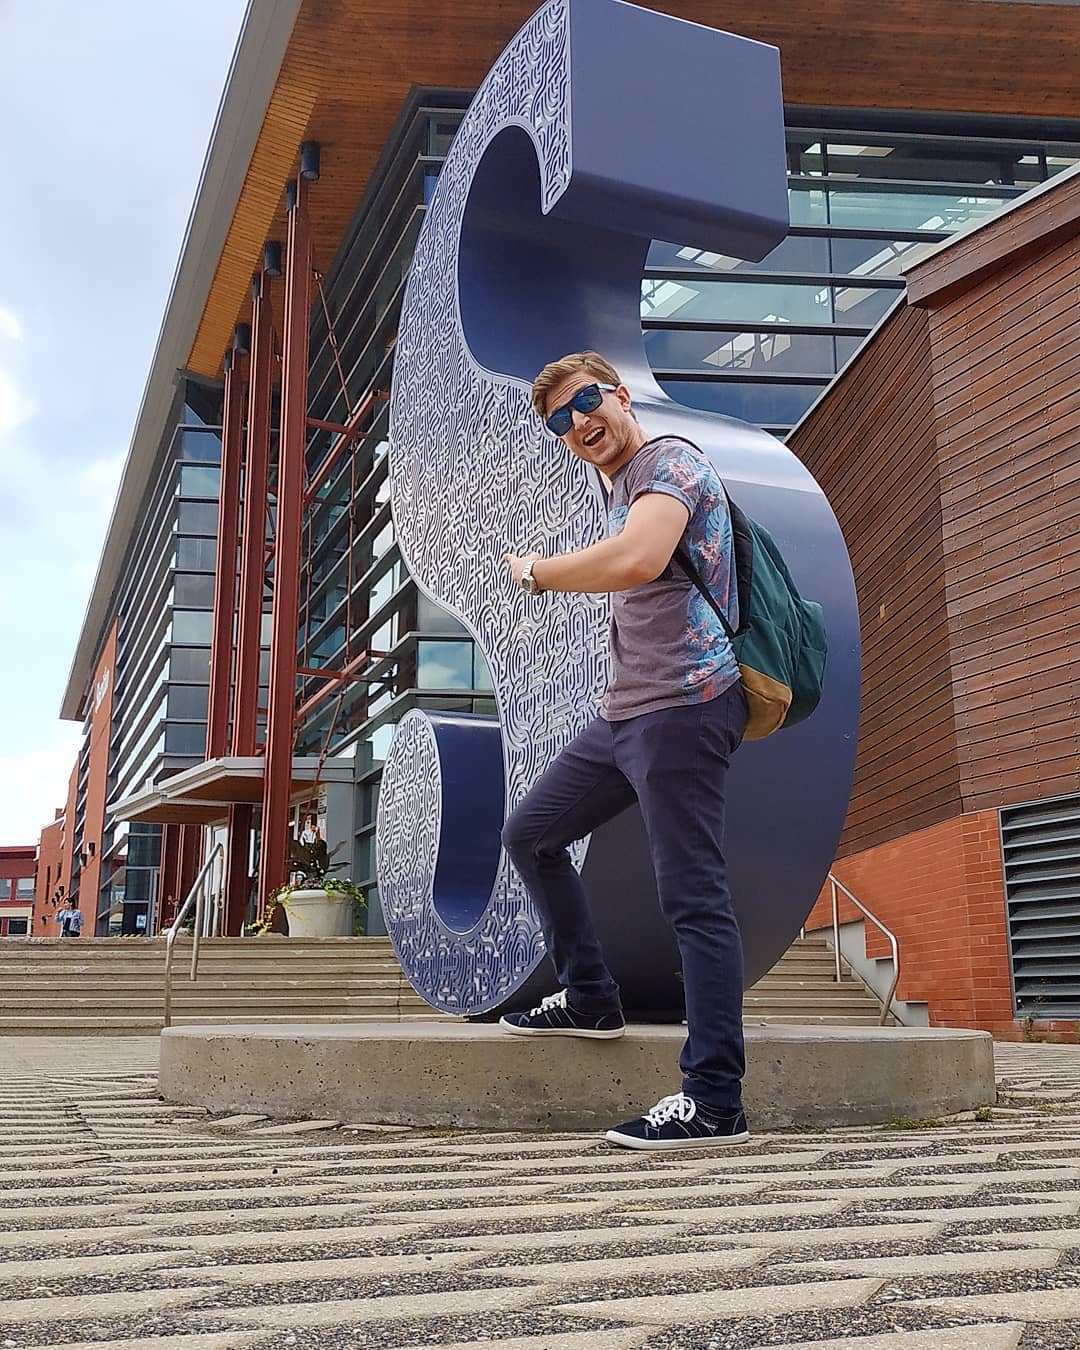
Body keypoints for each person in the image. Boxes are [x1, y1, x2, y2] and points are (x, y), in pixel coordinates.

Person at [500, 350, 749, 1151]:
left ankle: (715, 1102)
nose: (577, 426)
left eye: (583, 404)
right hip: (624, 716)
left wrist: (537, 572)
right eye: (559, 422)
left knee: (694, 899)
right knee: (530, 834)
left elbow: (642, 558)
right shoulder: (612, 485)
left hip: (685, 706)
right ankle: (590, 996)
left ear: (617, 392)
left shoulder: (667, 463)